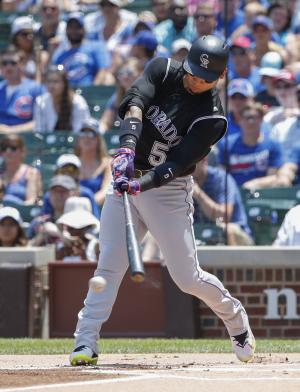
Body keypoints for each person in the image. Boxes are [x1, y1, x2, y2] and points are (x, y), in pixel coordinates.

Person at [69, 35, 255, 366]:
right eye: (195, 72)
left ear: (221, 77)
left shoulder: (213, 117)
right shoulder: (163, 69)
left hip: (166, 191)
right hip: (126, 176)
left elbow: (180, 162)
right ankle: (85, 342)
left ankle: (236, 318)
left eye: (206, 78)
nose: (197, 81)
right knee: (110, 264)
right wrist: (127, 147)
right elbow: (135, 101)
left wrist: (143, 183)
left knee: (186, 277)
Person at [218, 102, 288, 190]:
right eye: (247, 118)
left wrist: (256, 184)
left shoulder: (273, 145)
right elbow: (223, 174)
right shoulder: (227, 144)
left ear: (261, 120)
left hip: (264, 193)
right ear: (239, 120)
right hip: (234, 194)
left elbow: (274, 176)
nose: (250, 122)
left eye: (254, 118)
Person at [193, 158, 253, 246]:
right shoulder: (181, 181)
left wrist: (199, 194)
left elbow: (224, 216)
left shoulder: (221, 178)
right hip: (200, 234)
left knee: (229, 230)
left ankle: (232, 260)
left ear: (204, 160)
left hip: (236, 234)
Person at [52, 12, 112, 87]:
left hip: (89, 90)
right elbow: (54, 75)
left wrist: (92, 90)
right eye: (70, 27)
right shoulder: (60, 55)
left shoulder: (96, 47)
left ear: (84, 29)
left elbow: (103, 70)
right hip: (67, 95)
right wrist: (50, 51)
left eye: (77, 27)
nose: (73, 31)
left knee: (108, 77)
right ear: (66, 30)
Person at [33, 65, 90, 133]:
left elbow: (79, 132)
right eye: (48, 81)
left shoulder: (78, 103)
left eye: (55, 81)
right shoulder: (40, 102)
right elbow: (39, 131)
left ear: (64, 83)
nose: (51, 85)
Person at [0, 47, 44, 134]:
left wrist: (11, 131)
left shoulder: (36, 89)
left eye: (13, 63)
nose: (9, 67)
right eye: (4, 63)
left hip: (27, 139)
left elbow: (42, 121)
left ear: (22, 64)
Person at [99, 57, 144, 134]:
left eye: (129, 72)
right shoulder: (116, 97)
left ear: (141, 74)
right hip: (123, 138)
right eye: (122, 73)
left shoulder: (148, 95)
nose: (125, 76)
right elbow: (105, 122)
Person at [75, 118, 112, 207]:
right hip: (74, 207)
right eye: (83, 133)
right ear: (78, 139)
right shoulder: (72, 162)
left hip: (98, 210)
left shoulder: (108, 163)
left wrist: (87, 205)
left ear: (98, 139)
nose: (86, 137)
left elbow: (106, 191)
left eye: (91, 134)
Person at [0, 135, 42, 205]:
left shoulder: (31, 173)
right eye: (4, 148)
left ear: (22, 151)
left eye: (13, 148)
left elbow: (31, 200)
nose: (8, 151)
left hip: (22, 214)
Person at [56, 196, 100, 262]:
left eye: (80, 227)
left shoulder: (95, 246)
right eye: (70, 227)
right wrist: (61, 255)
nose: (73, 230)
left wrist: (83, 254)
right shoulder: (61, 247)